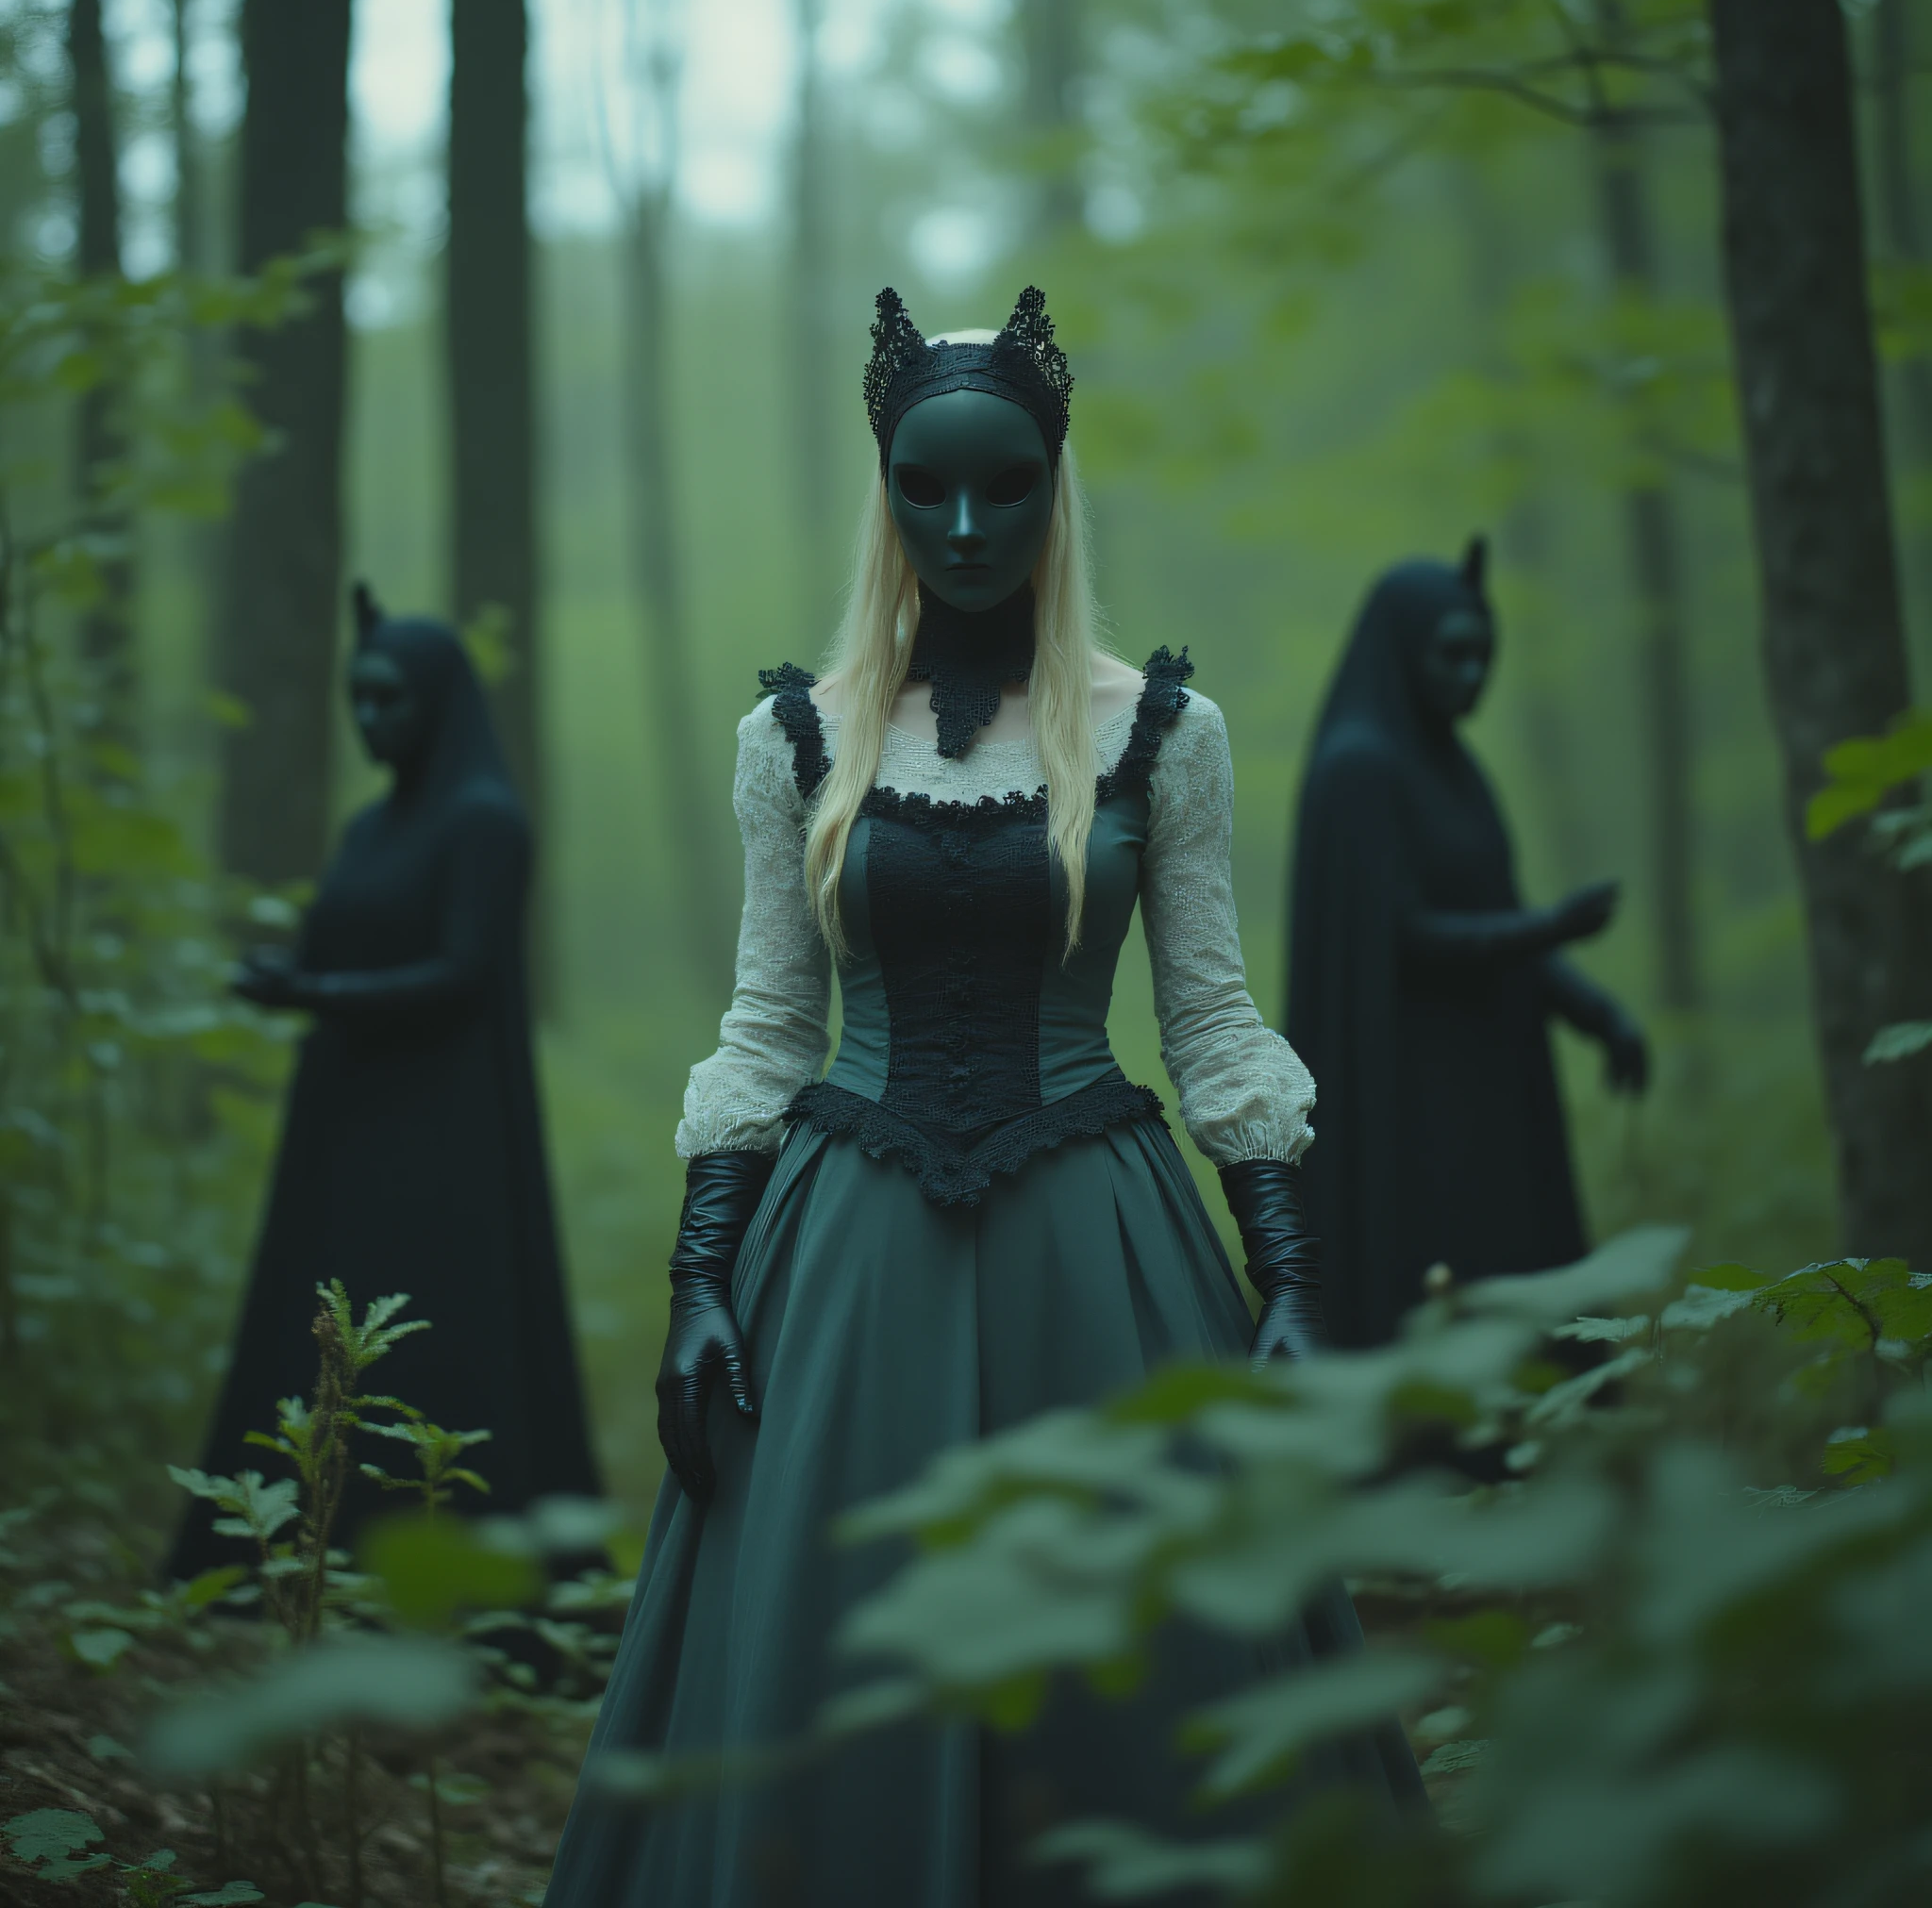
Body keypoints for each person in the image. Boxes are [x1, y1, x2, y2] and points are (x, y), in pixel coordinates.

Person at [543, 288, 1418, 1907]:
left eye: (1002, 484)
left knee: (1142, 1668)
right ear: (879, 487)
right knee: (831, 1637)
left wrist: (1289, 1272)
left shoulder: (1162, 734)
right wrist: (695, 1279)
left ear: (1052, 482)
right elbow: (764, 1024)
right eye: (922, 485)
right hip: (841, 1267)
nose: (960, 522)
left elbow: (1212, 1017)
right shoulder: (793, 738)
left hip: (1099, 1255)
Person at [169, 589, 600, 1582]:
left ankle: (450, 1567)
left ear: (438, 703)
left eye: (390, 700)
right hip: (346, 1120)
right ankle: (302, 1551)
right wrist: (292, 975)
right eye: (357, 699)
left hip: (444, 1134)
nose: (369, 720)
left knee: (438, 1332)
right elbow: (351, 938)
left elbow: (459, 972)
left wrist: (314, 988)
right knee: (320, 1321)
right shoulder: (370, 828)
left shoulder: (484, 823)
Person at [1286, 543, 1649, 1351]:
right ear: (1404, 649)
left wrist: (1599, 1014)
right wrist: (1551, 926)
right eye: (1454, 653)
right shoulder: (1361, 770)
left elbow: (1497, 918)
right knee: (1448, 1298)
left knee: (1514, 1284)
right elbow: (1402, 937)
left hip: (1493, 1092)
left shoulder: (1451, 768)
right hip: (1415, 1109)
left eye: (1485, 653)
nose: (1474, 674)